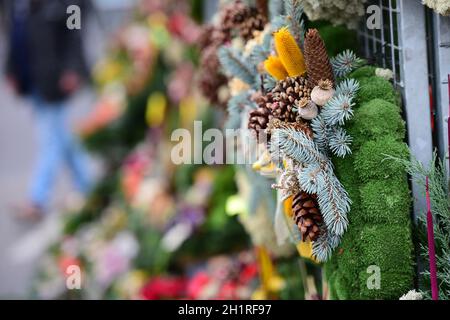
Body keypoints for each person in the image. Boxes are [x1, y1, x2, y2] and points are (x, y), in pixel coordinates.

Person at [4, 0, 91, 220]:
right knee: (61, 136)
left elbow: (75, 30)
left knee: (50, 138)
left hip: (55, 79)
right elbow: (14, 33)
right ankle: (88, 187)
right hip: (32, 79)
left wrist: (72, 68)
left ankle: (37, 199)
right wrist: (11, 69)